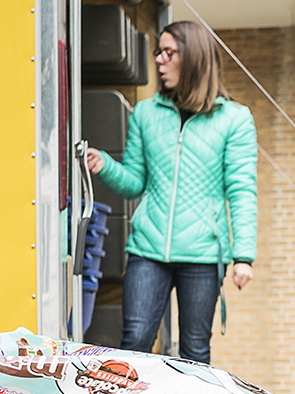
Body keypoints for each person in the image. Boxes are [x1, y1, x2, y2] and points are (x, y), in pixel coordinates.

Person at [85, 20, 256, 364]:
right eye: (158, 52)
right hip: (148, 249)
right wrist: (104, 164)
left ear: (192, 58)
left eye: (168, 52)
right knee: (135, 343)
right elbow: (135, 182)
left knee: (195, 351)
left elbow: (241, 190)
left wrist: (243, 256)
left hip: (204, 254)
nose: (159, 61)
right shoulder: (146, 113)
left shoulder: (234, 119)